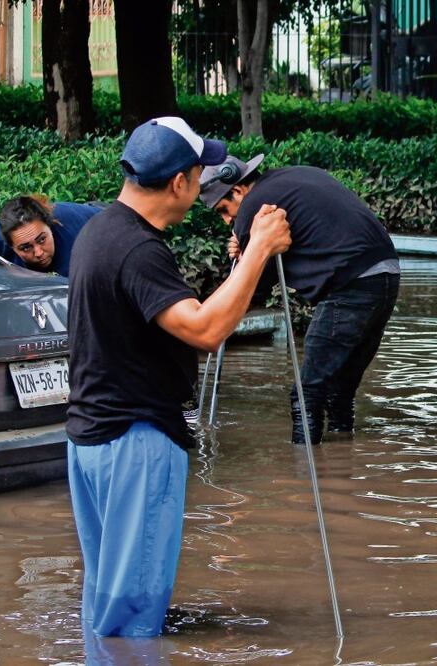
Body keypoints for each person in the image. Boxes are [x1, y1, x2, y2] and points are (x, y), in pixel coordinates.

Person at [66, 117, 291, 637]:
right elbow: (206, 329)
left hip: (90, 439)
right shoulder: (139, 250)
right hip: (134, 442)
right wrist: (257, 250)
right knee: (134, 613)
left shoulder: (98, 231)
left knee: (107, 602)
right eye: (199, 174)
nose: (202, 187)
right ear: (178, 182)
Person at [198, 153, 400, 446]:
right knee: (338, 390)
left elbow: (252, 288)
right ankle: (341, 464)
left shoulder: (256, 207)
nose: (228, 220)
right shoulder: (288, 178)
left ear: (238, 189)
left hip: (351, 284)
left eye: (224, 210)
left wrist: (245, 249)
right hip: (386, 275)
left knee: (307, 393)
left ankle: (303, 477)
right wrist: (248, 246)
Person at [0, 195, 101, 276]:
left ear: (50, 225)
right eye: (26, 248)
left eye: (42, 240)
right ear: (10, 246)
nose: (38, 253)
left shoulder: (75, 222)